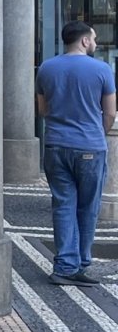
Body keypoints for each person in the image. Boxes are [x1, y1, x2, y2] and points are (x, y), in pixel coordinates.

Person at [36, 20, 117, 284]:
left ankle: (65, 265)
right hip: (90, 147)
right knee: (88, 206)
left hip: (55, 145)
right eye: (93, 39)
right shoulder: (102, 70)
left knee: (63, 204)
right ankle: (79, 261)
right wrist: (97, 133)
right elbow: (110, 112)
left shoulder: (46, 68)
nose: (95, 43)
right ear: (84, 41)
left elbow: (43, 110)